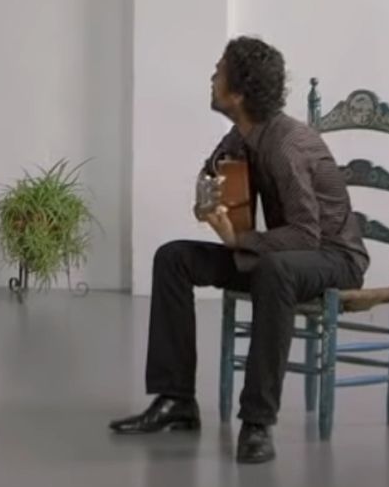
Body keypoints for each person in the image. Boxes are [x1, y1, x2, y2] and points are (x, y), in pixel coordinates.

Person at [110, 36, 369, 464]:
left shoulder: (286, 147)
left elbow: (306, 236)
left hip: (334, 257)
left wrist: (237, 240)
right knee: (174, 258)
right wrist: (207, 200)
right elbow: (211, 173)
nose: (212, 78)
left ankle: (257, 422)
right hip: (278, 255)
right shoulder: (242, 134)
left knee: (275, 271)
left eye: (219, 72)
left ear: (240, 91)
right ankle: (176, 400)